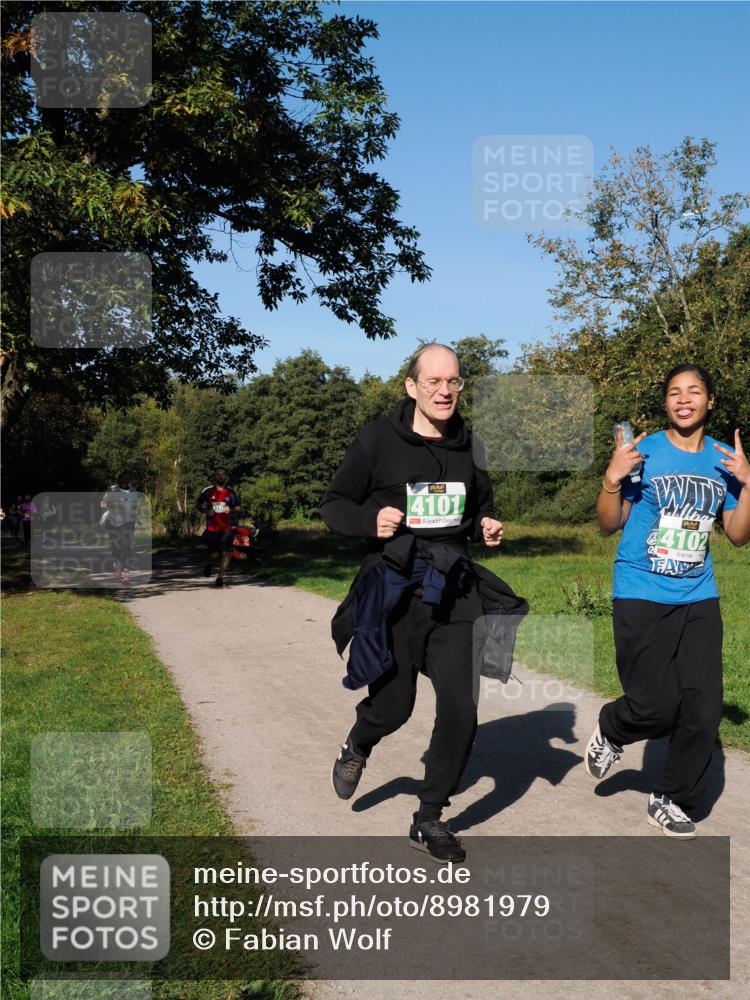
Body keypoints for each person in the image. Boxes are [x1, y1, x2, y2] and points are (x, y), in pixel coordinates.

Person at [320, 343, 527, 864]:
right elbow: (334, 504)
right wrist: (370, 522)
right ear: (411, 386)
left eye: (453, 381)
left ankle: (429, 816)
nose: (444, 390)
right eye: (433, 381)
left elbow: (482, 502)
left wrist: (487, 524)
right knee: (395, 707)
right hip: (395, 591)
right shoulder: (377, 441)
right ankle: (359, 744)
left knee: (462, 708)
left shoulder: (469, 445)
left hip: (454, 592)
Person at [588, 363, 749, 838]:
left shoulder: (725, 459)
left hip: (699, 592)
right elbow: (608, 522)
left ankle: (671, 796)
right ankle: (615, 727)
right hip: (641, 589)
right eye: (675, 392)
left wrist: (749, 480)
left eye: (694, 391)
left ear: (710, 401)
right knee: (655, 706)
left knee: (704, 707)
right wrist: (613, 477)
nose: (684, 399)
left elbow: (738, 536)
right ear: (666, 403)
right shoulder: (644, 450)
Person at [197, 467, 240, 588]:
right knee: (214, 554)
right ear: (215, 476)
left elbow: (238, 507)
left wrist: (230, 509)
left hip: (228, 527)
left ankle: (220, 577)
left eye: (222, 474)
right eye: (218, 474)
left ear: (225, 477)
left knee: (227, 552)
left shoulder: (231, 492)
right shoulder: (207, 491)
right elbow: (198, 504)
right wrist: (206, 510)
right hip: (213, 528)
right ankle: (209, 563)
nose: (220, 476)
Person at [101, 471, 142, 585]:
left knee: (126, 546)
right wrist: (115, 506)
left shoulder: (132, 491)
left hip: (127, 522)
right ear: (119, 479)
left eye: (128, 478)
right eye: (123, 478)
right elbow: (103, 504)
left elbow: (134, 506)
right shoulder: (113, 489)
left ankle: (124, 573)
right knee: (116, 547)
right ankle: (117, 567)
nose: (126, 480)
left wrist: (136, 517)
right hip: (113, 522)